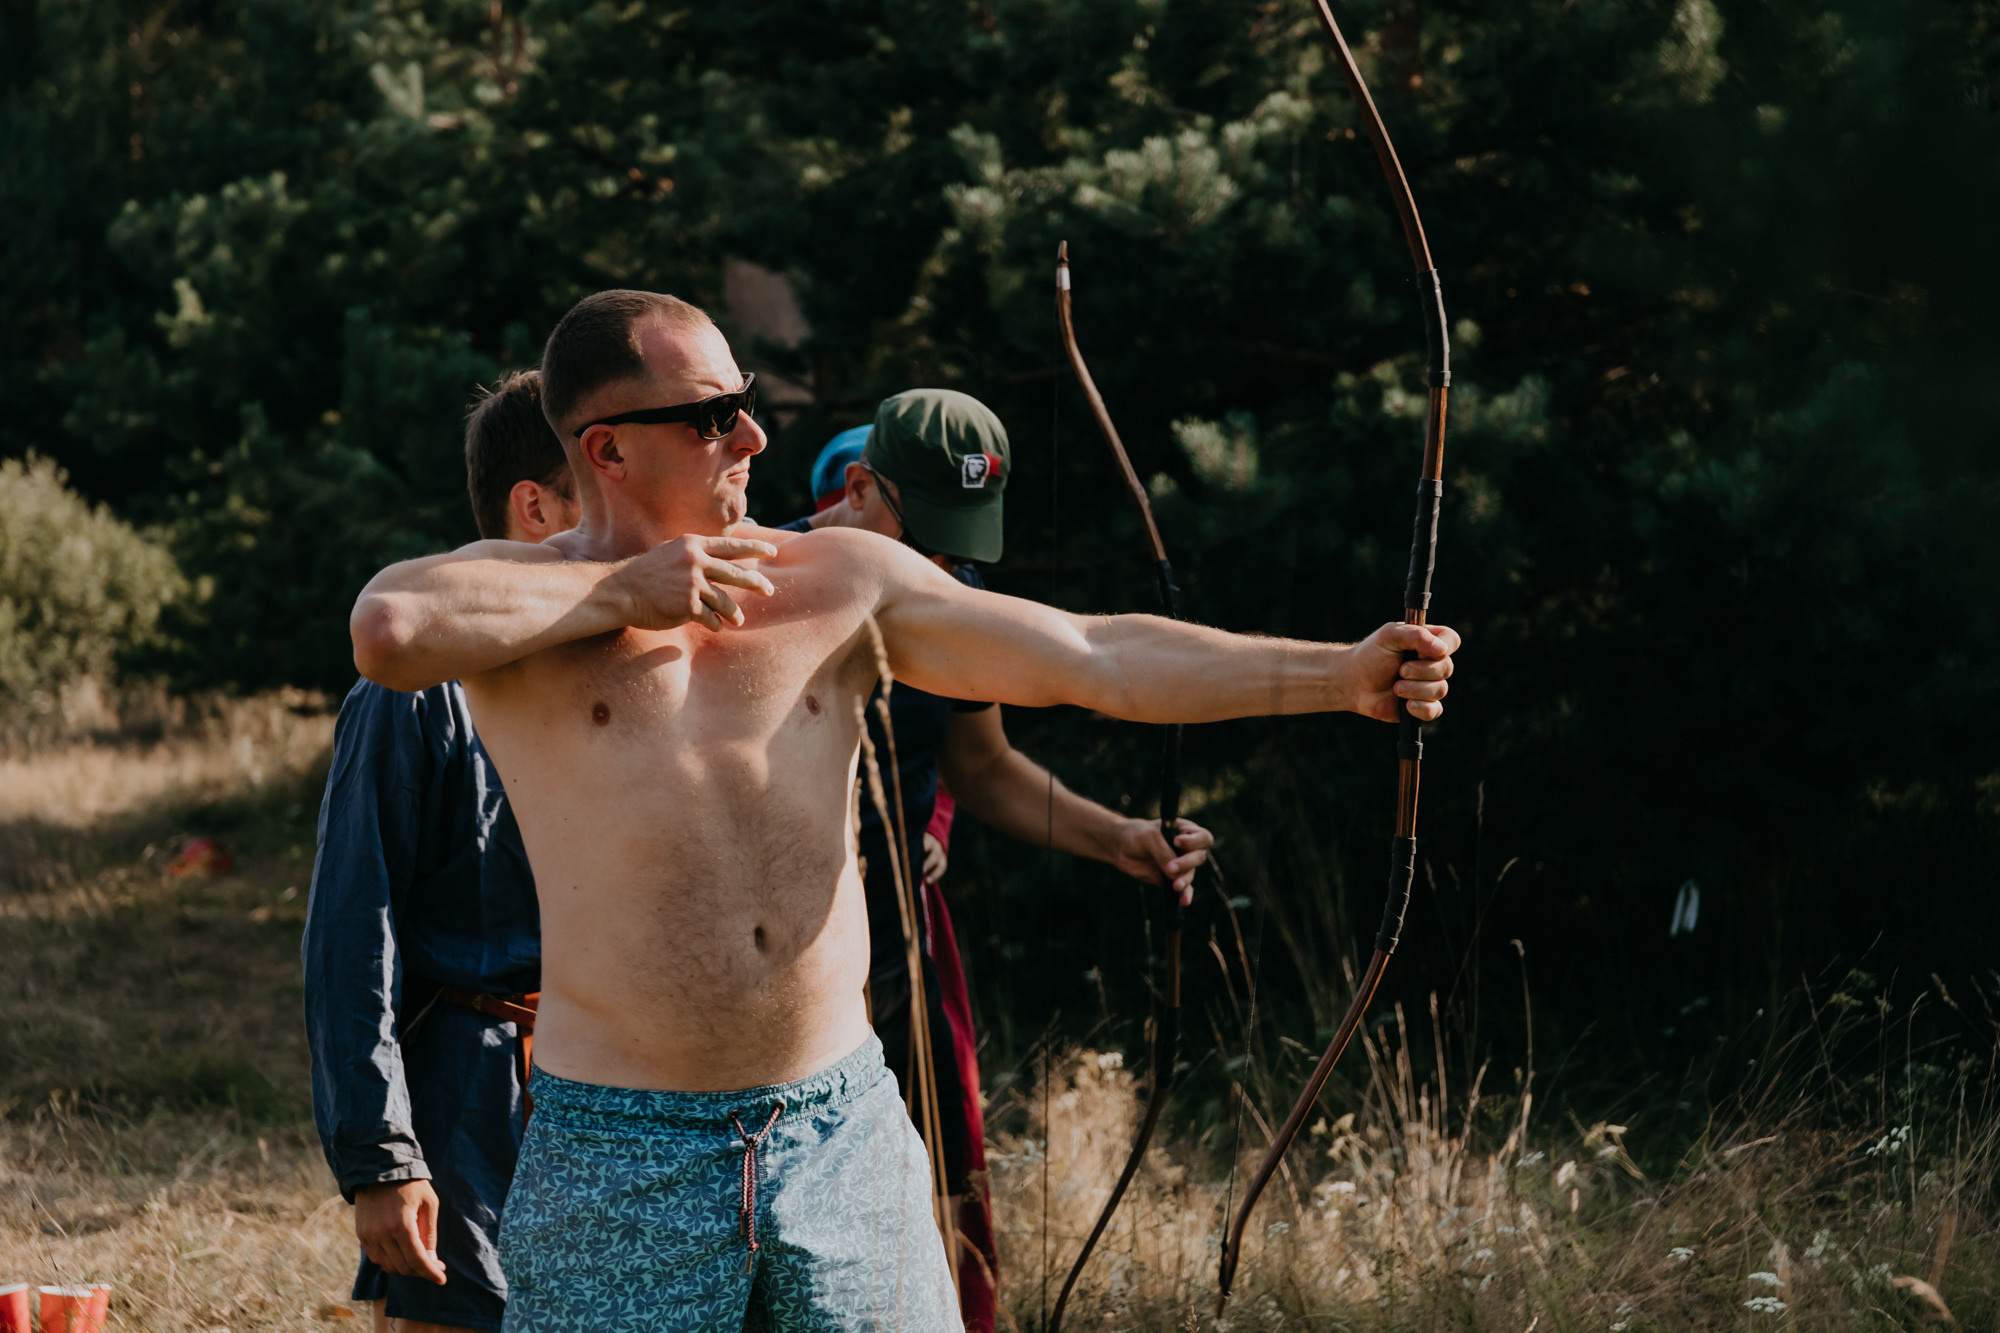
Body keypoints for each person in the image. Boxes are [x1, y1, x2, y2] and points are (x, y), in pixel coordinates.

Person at [348, 288, 1459, 1333]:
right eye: (715, 417)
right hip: (616, 1146)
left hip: (839, 1127)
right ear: (607, 449)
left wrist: (1339, 675)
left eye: (746, 405)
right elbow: (389, 630)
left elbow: (1095, 653)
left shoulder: (837, 577)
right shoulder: (521, 604)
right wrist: (622, 590)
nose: (754, 438)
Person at [783, 401, 1217, 1333]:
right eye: (929, 537)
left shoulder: (956, 592)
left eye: (962, 543)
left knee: (937, 1210)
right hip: (777, 986)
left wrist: (1120, 838)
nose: (945, 566)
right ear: (855, 490)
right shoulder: (765, 580)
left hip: (897, 961)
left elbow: (984, 766)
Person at [305, 370, 578, 1333]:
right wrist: (384, 1156)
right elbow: (354, 926)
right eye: (601, 494)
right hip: (468, 1091)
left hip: (611, 1096)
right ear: (535, 507)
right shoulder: (415, 688)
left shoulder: (632, 672)